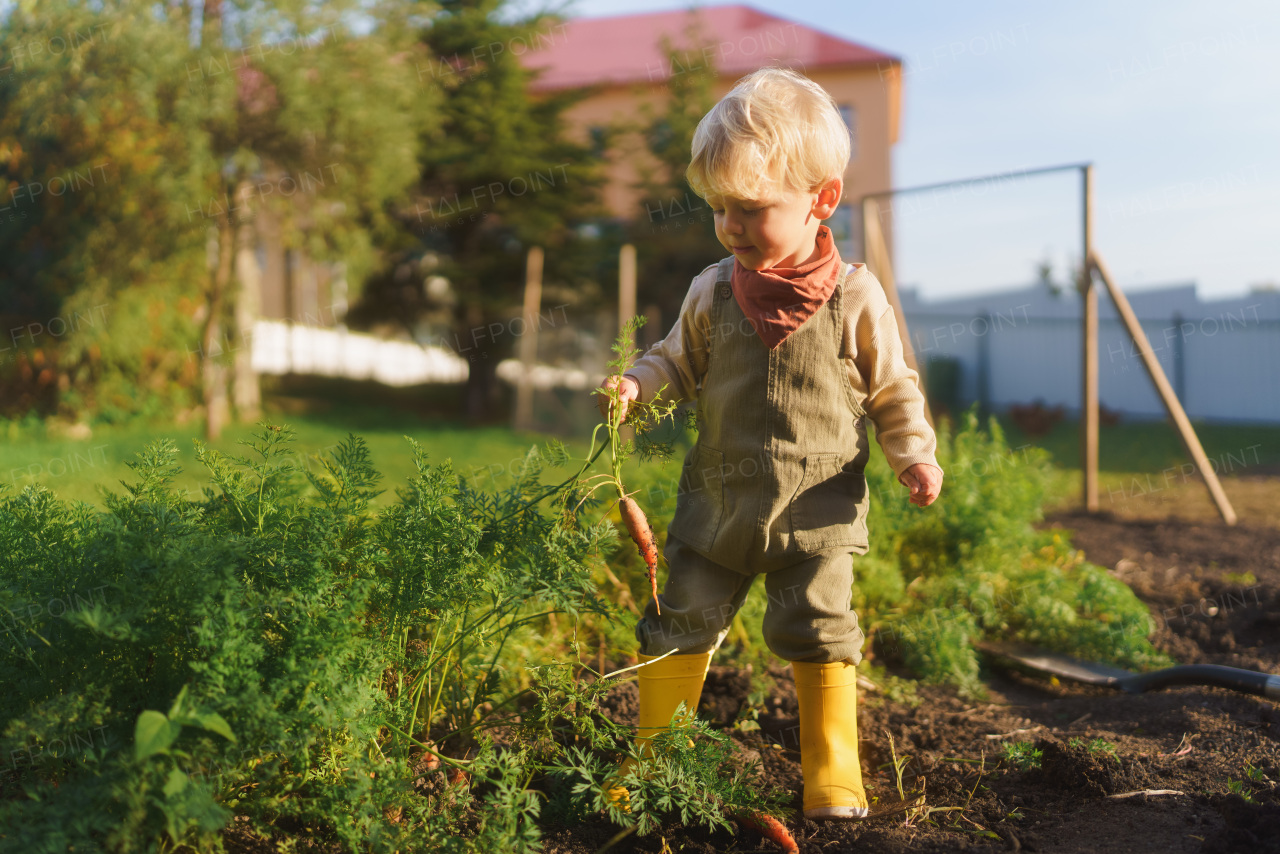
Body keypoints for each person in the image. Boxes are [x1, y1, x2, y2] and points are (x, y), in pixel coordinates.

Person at [596, 67, 943, 820]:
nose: (730, 226)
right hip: (714, 510)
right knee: (678, 619)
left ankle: (832, 771)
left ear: (822, 199)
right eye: (719, 209)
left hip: (814, 516)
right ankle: (657, 758)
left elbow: (893, 388)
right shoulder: (711, 290)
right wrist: (636, 384)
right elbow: (674, 359)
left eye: (751, 208)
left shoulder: (858, 296)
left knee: (820, 631)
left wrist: (913, 453)